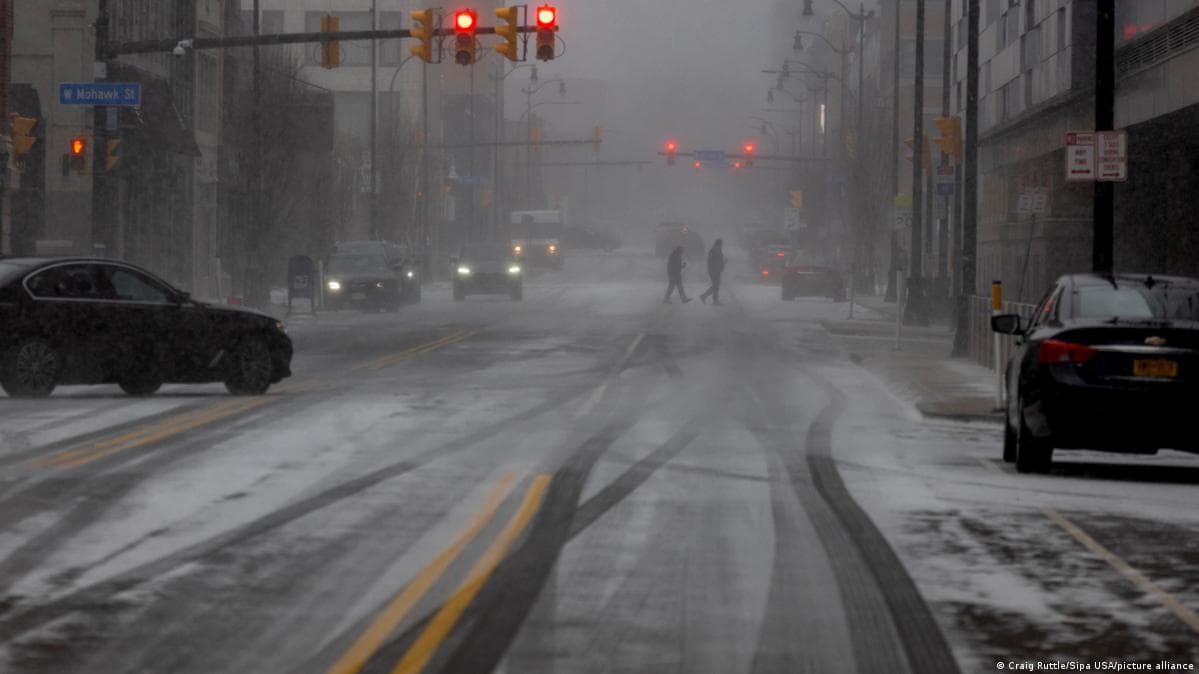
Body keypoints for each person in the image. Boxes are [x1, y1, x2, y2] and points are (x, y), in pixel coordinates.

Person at [700, 239, 726, 305]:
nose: (722, 245)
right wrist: (722, 263)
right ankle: (705, 296)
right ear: (719, 244)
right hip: (715, 271)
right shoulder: (716, 250)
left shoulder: (715, 250)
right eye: (721, 243)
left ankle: (714, 299)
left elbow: (717, 260)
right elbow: (717, 260)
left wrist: (722, 263)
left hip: (714, 270)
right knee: (716, 286)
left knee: (716, 286)